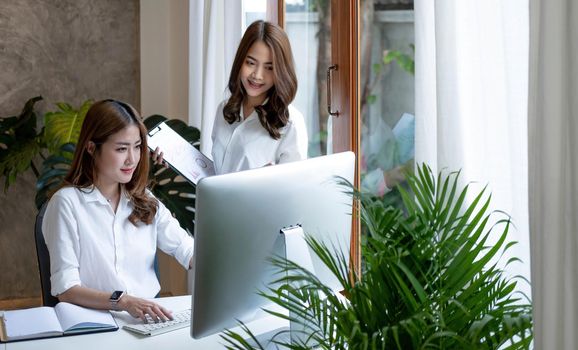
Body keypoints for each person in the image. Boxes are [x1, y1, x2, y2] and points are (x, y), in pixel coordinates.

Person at [42, 99, 195, 323]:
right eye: (121, 149)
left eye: (137, 147)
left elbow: (186, 249)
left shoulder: (145, 200)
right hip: (95, 324)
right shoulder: (66, 204)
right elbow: (66, 289)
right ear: (92, 148)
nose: (132, 159)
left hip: (148, 322)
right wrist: (123, 301)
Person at [153, 20, 307, 174]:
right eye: (251, 63)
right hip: (216, 199)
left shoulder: (291, 123)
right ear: (240, 61)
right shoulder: (225, 110)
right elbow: (219, 174)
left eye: (269, 67)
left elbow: (292, 189)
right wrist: (175, 160)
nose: (257, 75)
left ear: (280, 71)